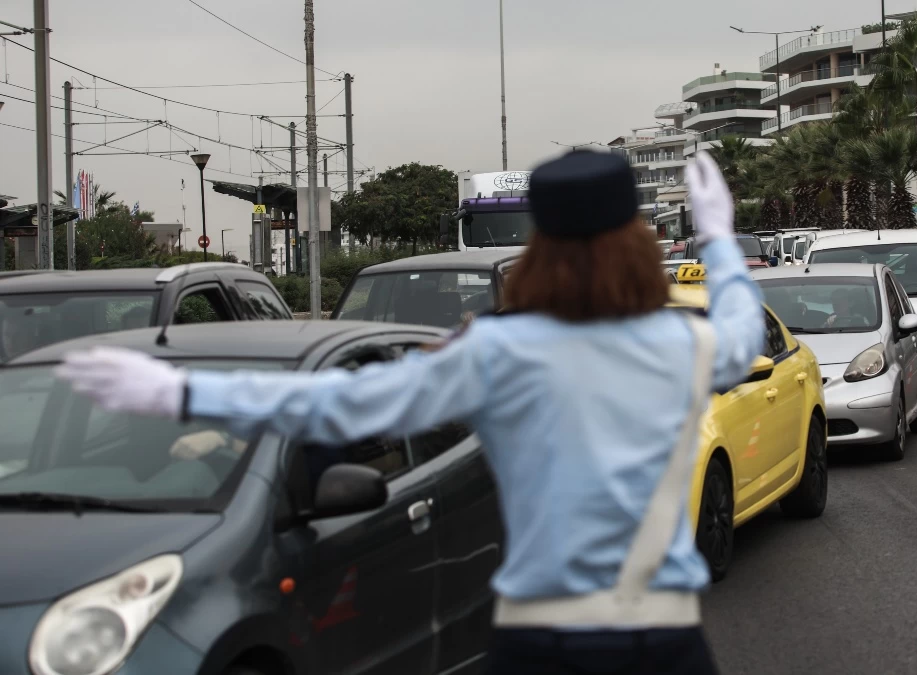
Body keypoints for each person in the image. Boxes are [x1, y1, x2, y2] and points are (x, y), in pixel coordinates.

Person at [53, 150, 763, 675]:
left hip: (539, 643)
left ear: (538, 248)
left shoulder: (497, 352)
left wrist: (182, 392)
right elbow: (741, 332)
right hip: (662, 643)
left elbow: (337, 404)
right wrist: (719, 239)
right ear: (636, 245)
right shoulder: (681, 344)